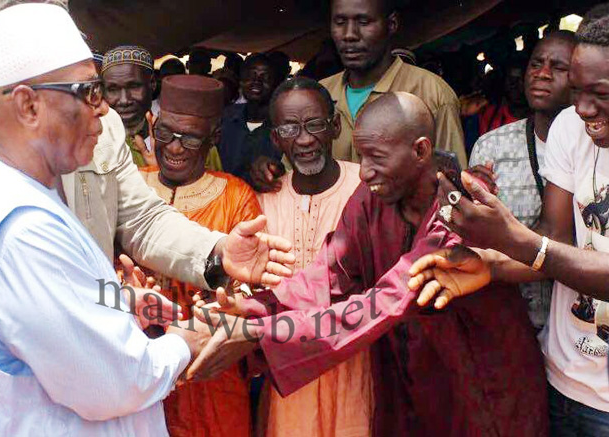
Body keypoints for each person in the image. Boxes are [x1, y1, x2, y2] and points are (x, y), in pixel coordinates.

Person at [0, 5, 295, 436]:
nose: (104, 110)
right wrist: (185, 340)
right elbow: (113, 382)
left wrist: (119, 301)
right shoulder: (19, 226)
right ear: (28, 106)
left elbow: (138, 219)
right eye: (88, 91)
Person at [192, 92, 548, 436]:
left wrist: (261, 331)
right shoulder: (369, 199)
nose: (364, 173)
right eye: (361, 157)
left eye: (376, 158)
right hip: (407, 382)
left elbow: (393, 297)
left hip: (482, 379)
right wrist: (252, 308)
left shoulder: (463, 205)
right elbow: (328, 275)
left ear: (421, 150)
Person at [411, 5, 609, 434]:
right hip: (563, 375)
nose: (585, 109)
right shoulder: (569, 129)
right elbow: (555, 236)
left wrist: (511, 242)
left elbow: (542, 249)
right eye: (576, 92)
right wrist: (490, 264)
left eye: (602, 94)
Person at [137, 74, 260, 437]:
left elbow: (251, 289)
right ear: (153, 127)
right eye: (165, 134)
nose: (174, 148)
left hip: (209, 371)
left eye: (189, 138)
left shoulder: (236, 196)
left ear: (214, 138)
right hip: (137, 366)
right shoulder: (130, 188)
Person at [257, 77, 372, 437]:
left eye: (314, 125)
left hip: (356, 359)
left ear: (335, 126)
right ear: (276, 139)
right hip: (289, 365)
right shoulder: (263, 199)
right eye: (290, 128)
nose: (304, 139)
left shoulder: (367, 187)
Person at [250, 0, 467, 192]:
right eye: (340, 22)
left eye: (363, 22)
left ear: (391, 24)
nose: (349, 34)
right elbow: (296, 171)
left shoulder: (432, 94)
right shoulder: (319, 95)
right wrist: (273, 172)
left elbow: (451, 185)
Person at [469, 31, 576, 330]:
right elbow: (479, 234)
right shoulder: (491, 146)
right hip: (513, 320)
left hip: (580, 325)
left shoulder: (594, 148)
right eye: (536, 64)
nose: (542, 74)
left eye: (558, 67)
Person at [218, 53, 282, 185]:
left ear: (275, 84)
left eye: (265, 77)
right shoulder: (225, 117)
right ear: (241, 81)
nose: (256, 82)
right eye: (251, 76)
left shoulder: (283, 125)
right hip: (226, 201)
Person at [101, 45, 155, 166]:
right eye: (113, 89)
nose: (124, 100)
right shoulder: (93, 146)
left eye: (134, 86)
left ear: (152, 84)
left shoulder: (177, 143)